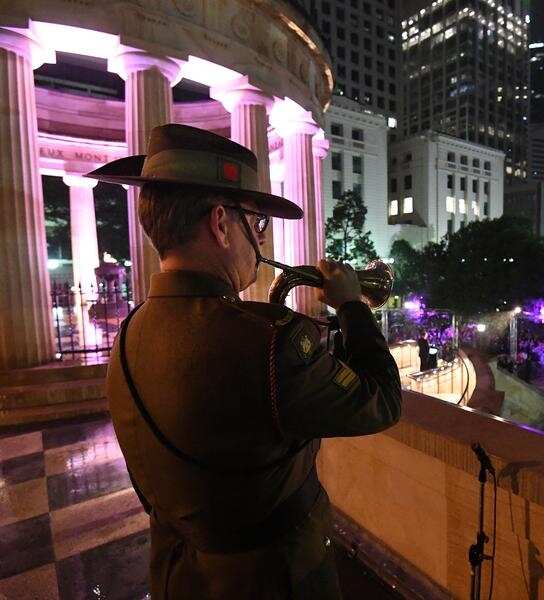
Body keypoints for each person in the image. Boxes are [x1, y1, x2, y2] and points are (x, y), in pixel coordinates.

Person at [92, 124, 402, 600]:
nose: (260, 241)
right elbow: (381, 401)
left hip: (181, 577)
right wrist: (353, 306)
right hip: (276, 580)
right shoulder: (270, 342)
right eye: (257, 224)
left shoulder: (129, 332)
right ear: (220, 223)